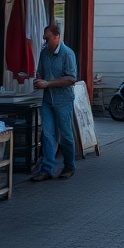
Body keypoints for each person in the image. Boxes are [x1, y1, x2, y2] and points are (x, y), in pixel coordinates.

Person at [30, 25, 78, 181]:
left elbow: (71, 79)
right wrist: (37, 80)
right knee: (48, 134)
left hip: (63, 99)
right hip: (48, 99)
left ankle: (69, 166)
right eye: (44, 38)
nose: (45, 41)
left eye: (47, 38)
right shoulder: (45, 53)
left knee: (66, 134)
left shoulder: (67, 54)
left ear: (57, 37)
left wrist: (47, 84)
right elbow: (41, 72)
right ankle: (47, 169)